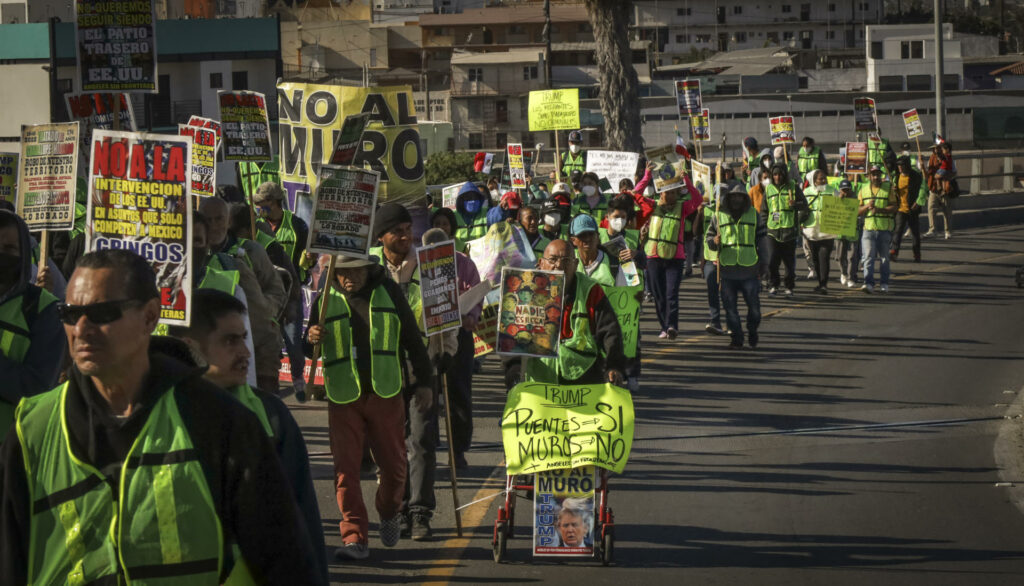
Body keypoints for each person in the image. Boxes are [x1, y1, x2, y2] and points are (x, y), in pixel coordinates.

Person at [1, 249, 324, 584]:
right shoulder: (32, 427)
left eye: (102, 313)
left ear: (150, 317)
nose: (81, 328)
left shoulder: (218, 421)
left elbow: (287, 563)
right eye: (69, 313)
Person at [167, 288, 327, 582]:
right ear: (190, 348)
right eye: (230, 341)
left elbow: (304, 520)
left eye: (244, 338)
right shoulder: (156, 418)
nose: (246, 353)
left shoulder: (272, 415)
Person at [305, 251, 433, 560]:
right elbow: (308, 349)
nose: (349, 278)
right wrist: (311, 338)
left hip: (385, 394)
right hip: (343, 396)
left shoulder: (389, 292)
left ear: (368, 269)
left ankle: (389, 512)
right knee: (345, 470)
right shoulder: (325, 298)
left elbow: (412, 338)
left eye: (356, 271)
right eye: (342, 272)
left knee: (394, 467)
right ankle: (354, 536)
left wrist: (425, 382)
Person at [368, 203, 439, 541]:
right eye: (397, 231)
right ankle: (396, 509)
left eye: (408, 229)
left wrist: (446, 352)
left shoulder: (430, 264)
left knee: (421, 440)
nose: (405, 236)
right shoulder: (368, 266)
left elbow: (445, 314)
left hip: (421, 364)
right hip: (382, 368)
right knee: (390, 444)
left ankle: (420, 512)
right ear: (381, 236)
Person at [199, 196, 286, 393]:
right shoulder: (194, 255)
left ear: (228, 220)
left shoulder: (251, 251)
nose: (214, 225)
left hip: (261, 349)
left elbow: (276, 289)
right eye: (207, 219)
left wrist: (262, 309)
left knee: (263, 404)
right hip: (214, 355)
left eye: (219, 219)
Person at [525, 239, 626, 385]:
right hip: (539, 377)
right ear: (541, 263)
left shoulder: (591, 290)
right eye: (553, 259)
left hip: (583, 374)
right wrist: (513, 369)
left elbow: (610, 331)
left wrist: (614, 366)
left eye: (566, 261)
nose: (559, 265)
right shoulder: (524, 290)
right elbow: (511, 337)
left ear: (576, 264)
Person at [421, 226, 481, 469]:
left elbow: (475, 294)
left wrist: (470, 315)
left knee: (458, 394)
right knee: (427, 394)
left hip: (459, 335)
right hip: (428, 336)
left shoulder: (464, 263)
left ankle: (458, 450)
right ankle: (428, 448)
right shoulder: (419, 264)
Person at [0, 210, 62, 437]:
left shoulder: (41, 309)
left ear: (24, 253)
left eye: (9, 249)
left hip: (10, 446)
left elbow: (37, 390)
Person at [253, 181, 313, 397]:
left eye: (262, 203)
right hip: (265, 293)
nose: (259, 207)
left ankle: (298, 377)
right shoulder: (255, 225)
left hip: (290, 294)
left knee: (293, 343)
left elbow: (308, 261)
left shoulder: (297, 225)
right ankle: (271, 385)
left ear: (274, 202)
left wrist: (309, 260)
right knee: (268, 344)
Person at [706, 186, 766, 350]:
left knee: (755, 310)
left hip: (749, 270)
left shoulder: (754, 214)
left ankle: (752, 330)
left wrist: (764, 264)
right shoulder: (718, 216)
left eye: (740, 196)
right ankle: (737, 338)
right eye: (733, 197)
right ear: (728, 198)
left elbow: (762, 240)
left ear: (744, 198)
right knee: (730, 309)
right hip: (727, 271)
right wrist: (714, 241)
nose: (736, 200)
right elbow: (709, 238)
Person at [644, 175, 703, 338]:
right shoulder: (652, 206)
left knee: (671, 293)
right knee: (659, 295)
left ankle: (672, 326)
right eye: (666, 192)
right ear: (660, 193)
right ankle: (664, 326)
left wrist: (686, 179)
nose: (669, 196)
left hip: (675, 258)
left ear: (677, 194)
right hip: (653, 256)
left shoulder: (682, 208)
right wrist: (647, 176)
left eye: (673, 193)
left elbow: (697, 199)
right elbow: (635, 196)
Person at [763, 162, 809, 297]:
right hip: (773, 231)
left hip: (789, 231)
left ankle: (789, 287)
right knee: (772, 260)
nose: (777, 177)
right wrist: (764, 227)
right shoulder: (769, 189)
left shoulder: (793, 187)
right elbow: (764, 210)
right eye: (775, 174)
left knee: (789, 263)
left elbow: (804, 205)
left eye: (780, 174)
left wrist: (795, 204)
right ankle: (773, 285)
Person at [858, 165, 898, 294]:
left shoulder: (888, 188)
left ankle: (884, 283)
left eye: (878, 174)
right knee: (868, 257)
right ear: (869, 176)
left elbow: (894, 207)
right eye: (873, 174)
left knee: (884, 258)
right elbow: (857, 210)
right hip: (868, 228)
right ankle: (868, 283)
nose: (876, 177)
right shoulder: (863, 189)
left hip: (884, 228)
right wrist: (866, 207)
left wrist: (879, 210)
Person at [801, 170, 838, 294]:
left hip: (827, 231)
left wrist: (843, 197)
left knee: (824, 257)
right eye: (820, 179)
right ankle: (820, 282)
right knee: (815, 258)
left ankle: (824, 285)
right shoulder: (806, 192)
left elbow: (841, 205)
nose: (823, 181)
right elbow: (801, 208)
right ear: (814, 181)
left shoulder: (833, 191)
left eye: (824, 178)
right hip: (811, 232)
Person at [891, 155, 925, 262]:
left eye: (902, 165)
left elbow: (923, 189)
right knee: (898, 230)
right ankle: (894, 252)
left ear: (907, 165)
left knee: (915, 233)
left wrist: (918, 202)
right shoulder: (896, 176)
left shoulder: (916, 176)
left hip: (912, 208)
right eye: (898, 165)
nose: (900, 167)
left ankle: (917, 253)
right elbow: (892, 192)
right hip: (901, 208)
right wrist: (893, 189)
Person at [925, 141, 956, 239]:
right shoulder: (931, 159)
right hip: (933, 188)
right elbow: (927, 174)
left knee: (947, 211)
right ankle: (932, 230)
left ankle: (948, 231)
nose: (936, 150)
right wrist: (921, 166)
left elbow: (954, 172)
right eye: (934, 149)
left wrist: (945, 177)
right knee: (931, 209)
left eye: (937, 148)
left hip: (945, 189)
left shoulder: (948, 158)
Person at [835, 179, 862, 288]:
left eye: (847, 190)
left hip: (853, 232)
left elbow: (860, 212)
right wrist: (839, 200)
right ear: (840, 190)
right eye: (843, 190)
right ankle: (844, 273)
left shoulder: (856, 199)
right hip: (840, 232)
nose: (845, 192)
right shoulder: (836, 198)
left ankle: (851, 277)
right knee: (839, 256)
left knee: (852, 256)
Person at [453, 181, 489, 252]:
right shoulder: (453, 215)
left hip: (482, 255)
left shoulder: (487, 212)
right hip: (460, 256)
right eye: (468, 198)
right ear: (461, 200)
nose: (472, 200)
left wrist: (502, 210)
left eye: (475, 197)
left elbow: (496, 214)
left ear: (480, 199)